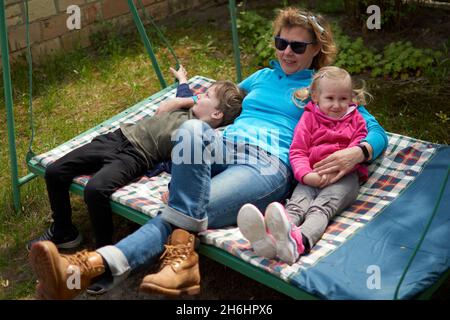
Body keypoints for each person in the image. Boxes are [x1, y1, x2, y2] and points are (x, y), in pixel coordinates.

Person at [29, 7, 388, 300]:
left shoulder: (321, 87)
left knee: (185, 210)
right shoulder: (262, 76)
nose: (286, 52)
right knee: (191, 129)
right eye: (281, 42)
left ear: (315, 50)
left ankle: (88, 267)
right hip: (223, 144)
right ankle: (178, 264)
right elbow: (224, 100)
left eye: (297, 46)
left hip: (266, 164)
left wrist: (357, 153)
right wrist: (184, 96)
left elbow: (375, 131)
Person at [27, 65, 244, 250]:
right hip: (117, 137)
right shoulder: (188, 105)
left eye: (206, 95)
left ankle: (102, 255)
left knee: (95, 190)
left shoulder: (199, 136)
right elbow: (186, 93)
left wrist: (172, 184)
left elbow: (188, 166)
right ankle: (63, 231)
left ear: (217, 114)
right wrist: (182, 80)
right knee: (55, 171)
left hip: (136, 156)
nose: (200, 95)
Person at [237, 66, 372, 265]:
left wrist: (339, 169)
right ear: (316, 97)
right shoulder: (308, 118)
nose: (337, 105)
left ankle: (299, 243)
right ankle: (272, 240)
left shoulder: (356, 121)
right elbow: (298, 151)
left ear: (351, 98)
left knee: (319, 209)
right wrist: (306, 175)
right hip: (312, 173)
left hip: (343, 178)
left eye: (343, 99)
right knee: (295, 206)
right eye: (330, 98)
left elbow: (355, 149)